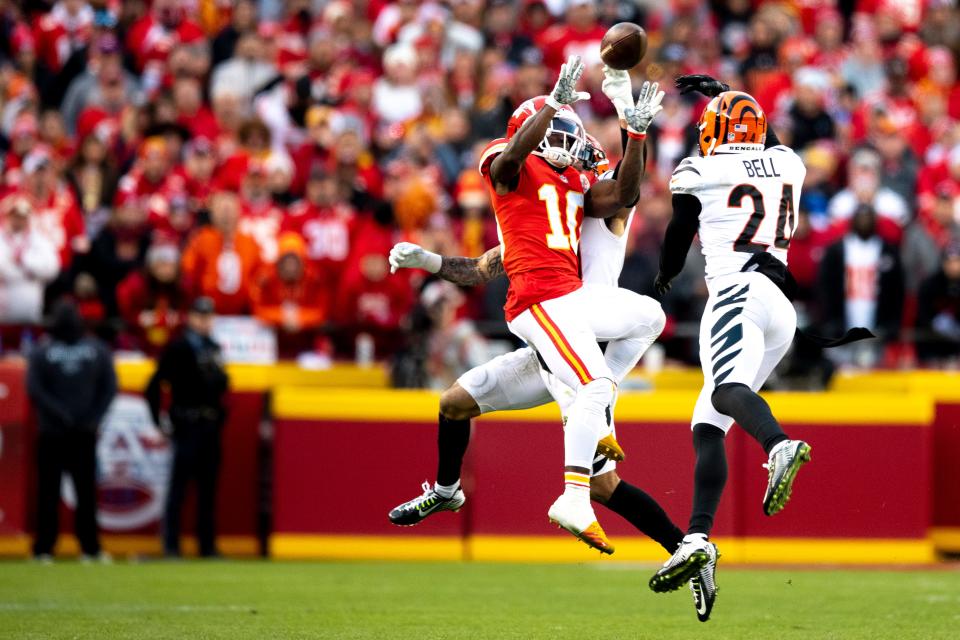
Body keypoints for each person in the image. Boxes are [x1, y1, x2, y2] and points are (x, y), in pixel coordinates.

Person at [389, 57, 665, 556]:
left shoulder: (583, 195)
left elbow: (625, 193)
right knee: (469, 404)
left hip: (572, 327)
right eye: (556, 132)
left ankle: (679, 541)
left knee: (645, 324)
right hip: (550, 318)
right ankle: (463, 491)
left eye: (571, 135)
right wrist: (428, 260)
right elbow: (484, 263)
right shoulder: (518, 177)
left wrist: (635, 132)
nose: (568, 143)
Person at [649, 76, 813, 613]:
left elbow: (679, 234)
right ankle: (698, 538)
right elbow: (763, 144)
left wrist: (664, 277)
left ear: (712, 132)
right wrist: (728, 92)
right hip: (779, 308)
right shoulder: (788, 161)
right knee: (707, 423)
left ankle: (778, 444)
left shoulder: (699, 168)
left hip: (736, 294)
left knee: (724, 392)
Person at [27, 300, 117, 562]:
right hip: (58, 432)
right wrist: (77, 417)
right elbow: (35, 389)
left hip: (75, 432)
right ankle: (48, 547)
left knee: (83, 493)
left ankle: (86, 547)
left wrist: (92, 418)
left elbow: (109, 387)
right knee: (52, 492)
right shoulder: (46, 351)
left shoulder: (90, 349)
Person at [145, 296, 229, 558]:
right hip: (188, 422)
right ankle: (171, 545)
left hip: (210, 424)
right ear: (191, 318)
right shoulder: (178, 348)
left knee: (209, 488)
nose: (205, 321)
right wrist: (159, 421)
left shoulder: (214, 348)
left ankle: (207, 546)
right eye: (200, 316)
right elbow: (154, 386)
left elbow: (222, 388)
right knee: (179, 487)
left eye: (209, 316)